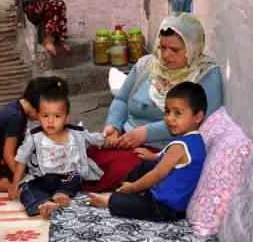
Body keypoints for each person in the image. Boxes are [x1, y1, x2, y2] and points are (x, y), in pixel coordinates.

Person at [84, 11, 222, 192]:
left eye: (175, 50)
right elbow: (122, 100)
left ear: (192, 47)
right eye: (162, 47)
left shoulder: (206, 74)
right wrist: (114, 126)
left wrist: (146, 133)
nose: (166, 55)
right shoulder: (147, 64)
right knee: (80, 158)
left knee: (119, 172)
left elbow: (197, 122)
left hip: (161, 150)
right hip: (125, 139)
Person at [88, 82, 207, 221]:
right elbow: (172, 159)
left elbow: (157, 175)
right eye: (167, 112)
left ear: (197, 117)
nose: (169, 118)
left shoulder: (179, 146)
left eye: (177, 113)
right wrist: (153, 156)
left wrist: (132, 188)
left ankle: (112, 200)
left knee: (136, 204)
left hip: (165, 207)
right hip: (168, 193)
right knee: (145, 164)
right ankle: (126, 190)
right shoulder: (195, 139)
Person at [8, 90, 105, 219]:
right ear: (38, 116)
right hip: (41, 178)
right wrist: (15, 183)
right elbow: (21, 158)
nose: (50, 121)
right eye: (45, 116)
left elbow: (94, 138)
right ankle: (43, 204)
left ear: (67, 118)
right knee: (25, 187)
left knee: (75, 176)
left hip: (65, 177)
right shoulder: (34, 137)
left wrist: (108, 139)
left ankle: (60, 196)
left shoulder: (75, 134)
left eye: (57, 116)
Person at [0, 76, 67, 192]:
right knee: (41, 176)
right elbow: (8, 154)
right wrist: (22, 178)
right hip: (2, 167)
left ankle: (5, 179)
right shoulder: (15, 118)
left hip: (5, 163)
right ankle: (1, 183)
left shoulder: (17, 107)